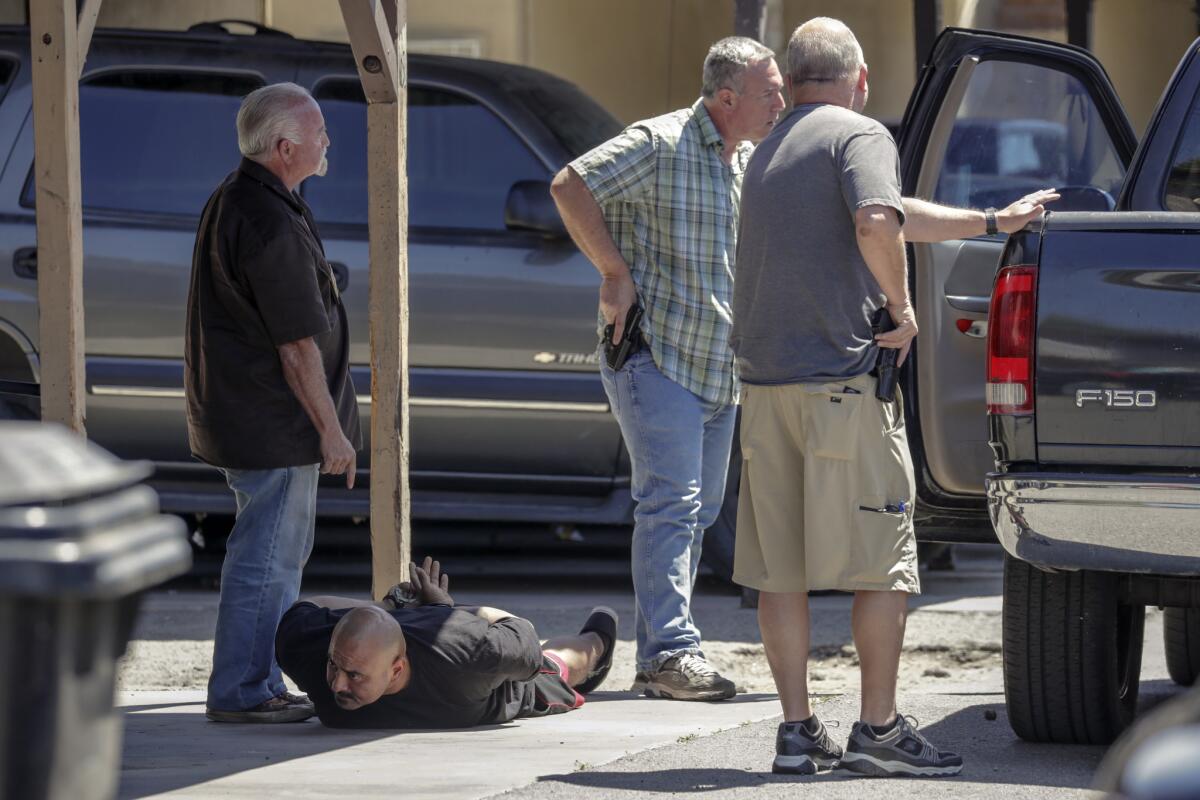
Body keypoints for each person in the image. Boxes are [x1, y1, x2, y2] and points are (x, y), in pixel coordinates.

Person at [731, 18, 1057, 776]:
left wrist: (987, 221)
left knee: (779, 572)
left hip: (766, 387)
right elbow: (877, 219)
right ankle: (878, 730)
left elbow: (891, 213)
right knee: (885, 562)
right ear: (861, 77)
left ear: (794, 77)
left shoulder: (774, 146)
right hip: (841, 387)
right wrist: (904, 310)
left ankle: (796, 732)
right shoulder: (860, 133)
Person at [549, 36, 786, 701]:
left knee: (699, 511)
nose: (780, 103)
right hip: (657, 356)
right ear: (727, 97)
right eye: (769, 92)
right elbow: (569, 185)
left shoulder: (742, 162)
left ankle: (668, 653)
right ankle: (668, 656)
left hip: (717, 370)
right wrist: (612, 270)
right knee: (673, 508)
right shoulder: (660, 142)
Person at [185, 82, 361, 723]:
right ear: (286, 146)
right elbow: (296, 347)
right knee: (266, 561)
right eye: (318, 132)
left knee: (269, 556)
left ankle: (252, 683)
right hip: (274, 423)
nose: (327, 141)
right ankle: (244, 691)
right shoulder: (264, 218)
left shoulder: (244, 199)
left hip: (255, 417)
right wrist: (331, 431)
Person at [275, 558, 619, 729]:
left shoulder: (467, 653)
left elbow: (520, 633)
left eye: (355, 675)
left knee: (556, 664)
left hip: (506, 685)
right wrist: (388, 606)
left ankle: (600, 640)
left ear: (397, 670)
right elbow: (306, 609)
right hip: (409, 620)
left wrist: (452, 611)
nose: (337, 683)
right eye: (334, 666)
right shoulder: (310, 648)